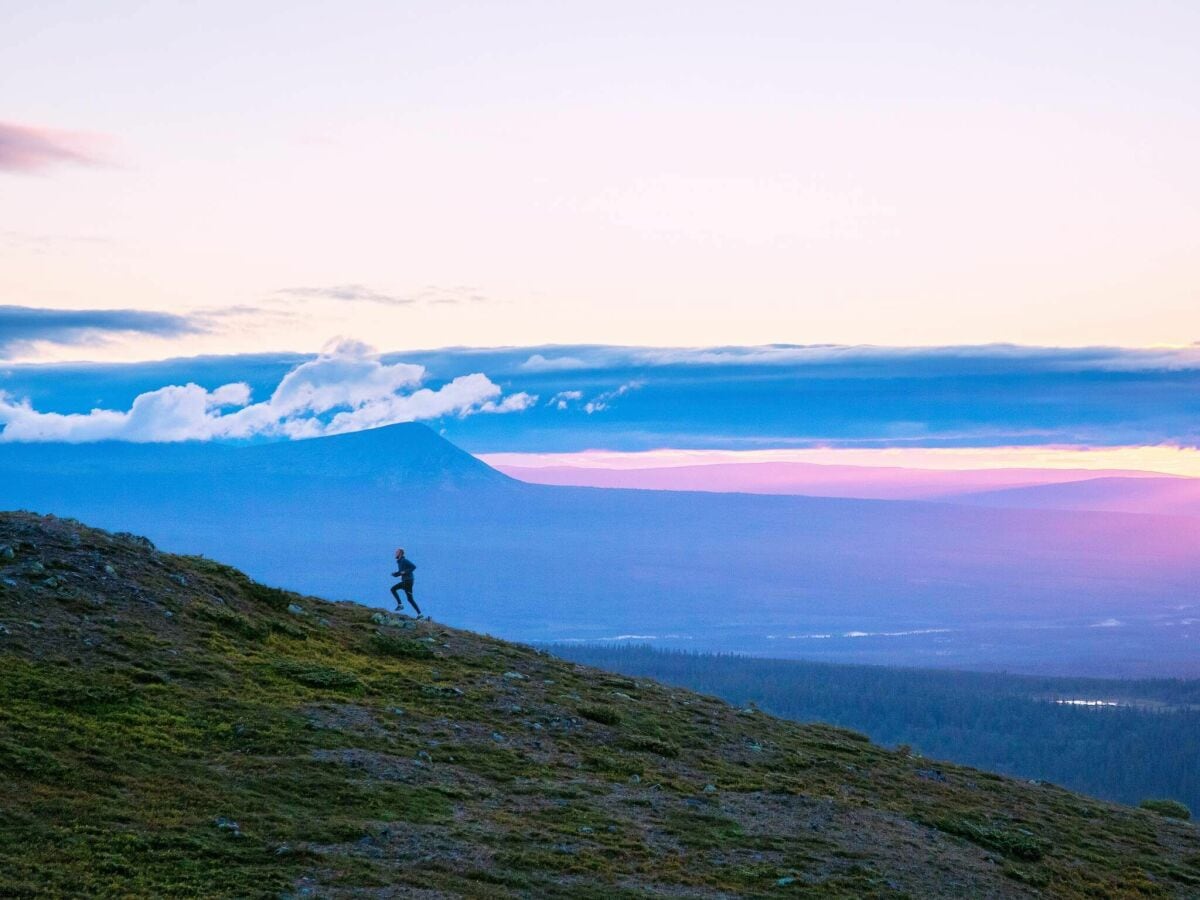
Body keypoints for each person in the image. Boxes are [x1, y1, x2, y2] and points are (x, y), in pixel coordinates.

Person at [390, 548, 423, 618]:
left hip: (408, 581)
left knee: (393, 589)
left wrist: (404, 572)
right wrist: (395, 574)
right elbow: (401, 572)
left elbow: (413, 567)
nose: (395, 553)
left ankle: (400, 605)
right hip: (407, 581)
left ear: (400, 553)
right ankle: (420, 615)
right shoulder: (399, 562)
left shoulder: (404, 560)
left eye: (397, 552)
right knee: (410, 599)